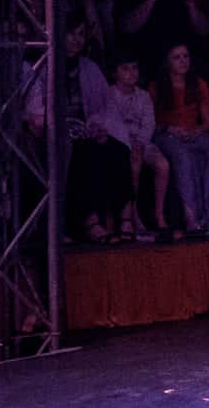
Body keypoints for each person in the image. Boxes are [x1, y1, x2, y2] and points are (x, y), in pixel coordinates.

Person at [25, 22, 134, 244]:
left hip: (86, 131)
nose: (76, 40)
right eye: (71, 33)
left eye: (81, 34)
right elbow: (34, 110)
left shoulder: (89, 68)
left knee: (118, 149)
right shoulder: (42, 67)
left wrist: (98, 126)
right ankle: (90, 222)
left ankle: (126, 219)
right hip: (55, 134)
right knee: (83, 154)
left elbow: (104, 107)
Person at [150, 43, 209, 237]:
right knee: (182, 155)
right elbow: (150, 124)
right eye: (177, 57)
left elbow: (208, 122)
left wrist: (196, 131)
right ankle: (192, 219)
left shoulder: (198, 84)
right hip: (166, 134)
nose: (183, 61)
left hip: (192, 133)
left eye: (185, 56)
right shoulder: (156, 87)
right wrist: (170, 129)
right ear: (167, 62)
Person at [99, 54, 169, 240]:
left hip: (141, 141)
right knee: (134, 164)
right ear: (115, 72)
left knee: (162, 165)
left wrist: (140, 141)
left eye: (134, 68)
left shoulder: (143, 96)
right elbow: (110, 122)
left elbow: (149, 123)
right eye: (125, 68)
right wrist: (129, 144)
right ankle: (131, 215)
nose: (131, 73)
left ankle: (159, 213)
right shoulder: (109, 94)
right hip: (119, 143)